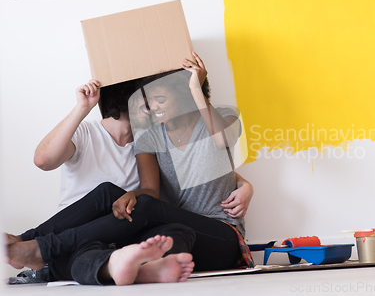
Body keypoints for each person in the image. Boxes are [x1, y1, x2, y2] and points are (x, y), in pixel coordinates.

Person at [6, 52, 254, 283]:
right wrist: (132, 195)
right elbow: (150, 191)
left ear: (184, 96)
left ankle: (42, 249)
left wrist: (194, 88)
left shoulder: (225, 116)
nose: (153, 106)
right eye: (149, 100)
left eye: (160, 99)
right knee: (112, 194)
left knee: (149, 210)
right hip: (181, 229)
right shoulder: (150, 137)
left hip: (222, 234)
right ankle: (26, 241)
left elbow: (222, 141)